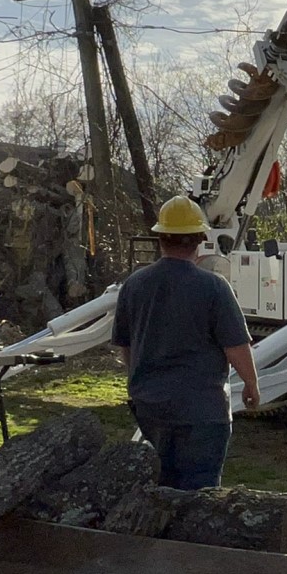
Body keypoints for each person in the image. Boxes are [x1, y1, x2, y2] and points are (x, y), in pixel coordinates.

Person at [112, 195, 261, 490]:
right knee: (200, 494)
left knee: (161, 487)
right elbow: (235, 347)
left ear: (159, 239)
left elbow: (126, 346)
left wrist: (137, 384)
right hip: (201, 412)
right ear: (200, 240)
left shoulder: (134, 285)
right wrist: (252, 385)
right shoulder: (214, 287)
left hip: (149, 407)